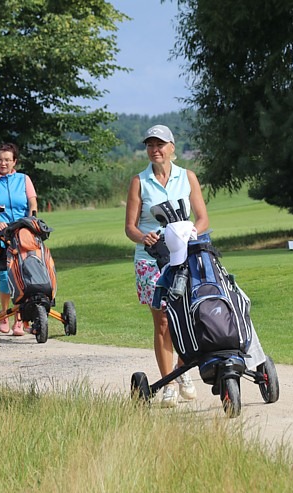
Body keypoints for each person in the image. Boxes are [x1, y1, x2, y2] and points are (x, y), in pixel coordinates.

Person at [124, 124, 210, 408]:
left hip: (184, 257)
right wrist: (142, 236)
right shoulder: (140, 181)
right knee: (162, 322)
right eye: (150, 145)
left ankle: (183, 371)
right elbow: (130, 228)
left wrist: (192, 233)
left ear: (172, 147)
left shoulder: (187, 177)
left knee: (185, 316)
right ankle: (169, 383)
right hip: (151, 259)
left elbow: (203, 219)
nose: (155, 150)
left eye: (160, 144)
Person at [0, 143, 38, 336]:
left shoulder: (24, 179)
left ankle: (19, 319)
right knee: (5, 275)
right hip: (0, 232)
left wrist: (31, 221)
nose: (3, 163)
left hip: (23, 231)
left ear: (14, 162)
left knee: (24, 272)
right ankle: (4, 314)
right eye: (0, 159)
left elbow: (32, 203)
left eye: (7, 160)